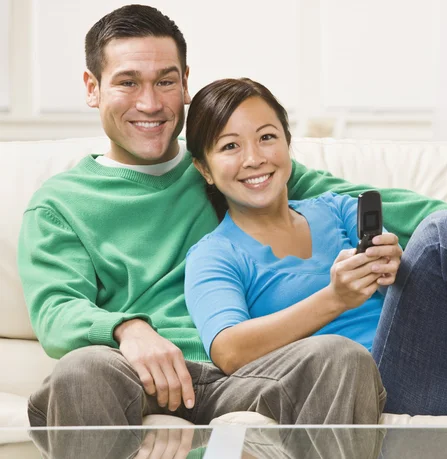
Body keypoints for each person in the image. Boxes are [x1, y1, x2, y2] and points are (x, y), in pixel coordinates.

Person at [17, 4, 387, 431]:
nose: (150, 103)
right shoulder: (60, 205)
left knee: (338, 355)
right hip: (139, 376)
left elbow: (361, 200)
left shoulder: (231, 167)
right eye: (128, 82)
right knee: (81, 370)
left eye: (165, 81)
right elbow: (56, 311)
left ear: (186, 83)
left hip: (247, 376)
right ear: (92, 87)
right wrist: (129, 329)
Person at [184, 77, 447, 425]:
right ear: (204, 167)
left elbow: (411, 286)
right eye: (230, 147)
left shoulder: (338, 209)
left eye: (267, 137)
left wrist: (397, 268)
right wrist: (334, 299)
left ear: (288, 145)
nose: (254, 158)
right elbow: (229, 350)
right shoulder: (214, 254)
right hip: (386, 397)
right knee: (441, 235)